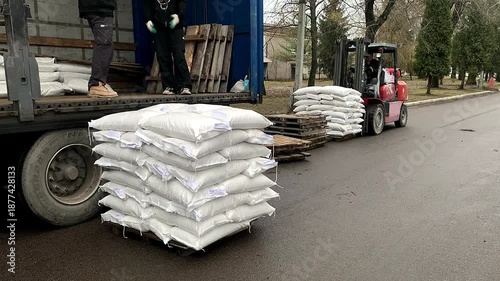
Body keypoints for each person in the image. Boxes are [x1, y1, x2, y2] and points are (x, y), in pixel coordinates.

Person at [144, 0, 192, 95]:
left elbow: (182, 5)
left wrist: (178, 16)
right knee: (163, 57)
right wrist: (148, 20)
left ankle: (184, 85)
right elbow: (147, 7)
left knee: (179, 56)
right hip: (159, 29)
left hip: (175, 28)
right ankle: (168, 86)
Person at [78, 0, 118, 98]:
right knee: (104, 44)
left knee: (106, 44)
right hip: (99, 6)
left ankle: (98, 84)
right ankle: (96, 85)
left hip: (99, 6)